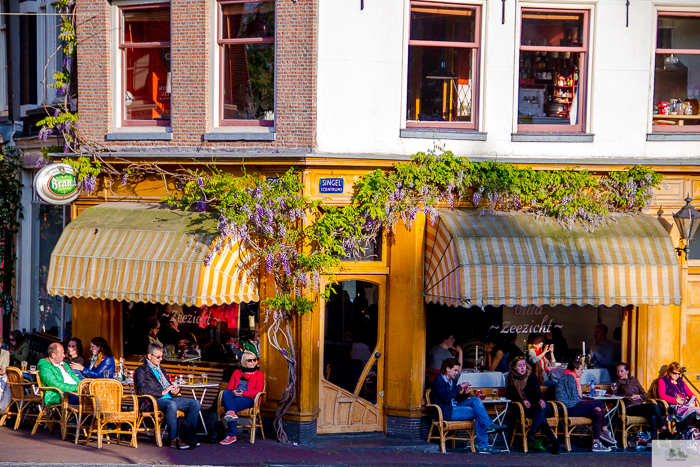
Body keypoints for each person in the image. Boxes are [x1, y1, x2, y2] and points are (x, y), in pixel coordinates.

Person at [430, 357, 506, 454]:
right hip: (445, 412)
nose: (457, 373)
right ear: (447, 369)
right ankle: (484, 445)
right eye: (455, 370)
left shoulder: (451, 381)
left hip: (454, 408)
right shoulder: (438, 381)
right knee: (479, 413)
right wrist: (459, 387)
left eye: (458, 371)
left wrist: (465, 394)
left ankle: (488, 428)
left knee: (476, 400)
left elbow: (456, 399)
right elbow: (445, 398)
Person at [134, 343, 201, 449]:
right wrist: (161, 392)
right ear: (149, 356)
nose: (161, 359)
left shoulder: (161, 369)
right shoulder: (141, 371)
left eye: (161, 357)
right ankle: (173, 439)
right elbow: (141, 390)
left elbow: (167, 386)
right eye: (158, 357)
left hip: (169, 398)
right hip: (152, 401)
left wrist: (174, 389)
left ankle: (188, 436)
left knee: (195, 404)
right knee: (171, 404)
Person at [555, 361, 616, 452]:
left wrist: (578, 380)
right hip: (568, 409)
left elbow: (576, 396)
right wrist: (590, 406)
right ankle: (605, 431)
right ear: (575, 370)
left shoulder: (571, 377)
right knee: (598, 403)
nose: (582, 371)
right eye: (581, 369)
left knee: (597, 412)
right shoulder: (569, 377)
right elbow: (576, 398)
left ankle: (596, 442)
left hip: (571, 407)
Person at [506, 356, 560, 454]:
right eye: (520, 366)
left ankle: (532, 432)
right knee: (542, 419)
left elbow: (537, 391)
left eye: (524, 365)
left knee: (542, 408)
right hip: (523, 408)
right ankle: (555, 442)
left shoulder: (532, 376)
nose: (523, 368)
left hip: (537, 405)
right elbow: (510, 395)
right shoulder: (510, 379)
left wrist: (540, 399)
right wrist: (522, 401)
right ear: (514, 367)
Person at [614, 362, 670, 440]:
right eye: (617, 371)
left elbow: (645, 395)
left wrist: (639, 396)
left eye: (621, 371)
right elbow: (614, 395)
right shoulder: (616, 382)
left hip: (640, 407)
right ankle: (665, 429)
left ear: (627, 371)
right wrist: (629, 396)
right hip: (629, 408)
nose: (619, 373)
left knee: (653, 416)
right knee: (653, 406)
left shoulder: (634, 380)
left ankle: (654, 442)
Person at [220, 350, 265, 445]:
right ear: (244, 362)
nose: (253, 362)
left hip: (249, 399)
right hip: (234, 397)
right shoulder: (236, 372)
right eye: (249, 360)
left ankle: (231, 435)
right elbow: (230, 387)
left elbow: (258, 391)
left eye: (254, 360)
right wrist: (233, 391)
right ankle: (232, 415)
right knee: (226, 392)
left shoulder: (259, 375)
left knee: (230, 406)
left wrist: (243, 393)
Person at [657, 362, 700, 437]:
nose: (677, 375)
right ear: (669, 372)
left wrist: (693, 402)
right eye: (675, 373)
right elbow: (662, 396)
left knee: (697, 411)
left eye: (678, 373)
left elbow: (691, 394)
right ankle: (679, 432)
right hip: (671, 405)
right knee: (690, 412)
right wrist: (677, 401)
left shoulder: (680, 381)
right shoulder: (662, 380)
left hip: (685, 404)